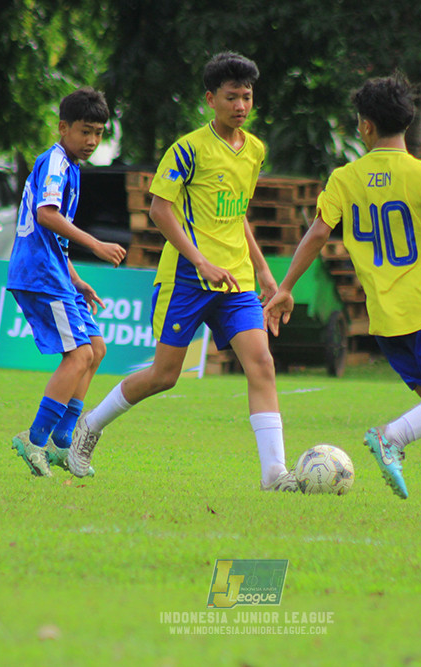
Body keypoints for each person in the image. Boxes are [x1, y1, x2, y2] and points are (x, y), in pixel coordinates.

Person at [263, 74, 421, 511]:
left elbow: (317, 234)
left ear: (367, 126)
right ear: (406, 124)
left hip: (384, 321)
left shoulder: (344, 178)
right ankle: (390, 437)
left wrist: (285, 288)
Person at [67, 52, 298, 492]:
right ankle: (90, 426)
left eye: (247, 97)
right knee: (164, 375)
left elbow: (239, 216)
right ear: (211, 99)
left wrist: (266, 276)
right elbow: (159, 210)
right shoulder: (189, 148)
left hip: (236, 283)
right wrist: (200, 260)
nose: (241, 106)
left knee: (262, 363)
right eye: (232, 97)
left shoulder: (255, 151)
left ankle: (274, 475)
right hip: (188, 281)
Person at [7, 87, 127, 477]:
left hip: (55, 272)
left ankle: (61, 442)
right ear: (63, 128)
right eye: (85, 131)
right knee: (78, 356)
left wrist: (77, 279)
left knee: (95, 348)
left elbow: (54, 237)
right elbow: (45, 215)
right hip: (38, 274)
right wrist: (94, 243)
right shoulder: (56, 163)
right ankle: (36, 438)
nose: (92, 141)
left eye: (99, 133)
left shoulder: (69, 167)